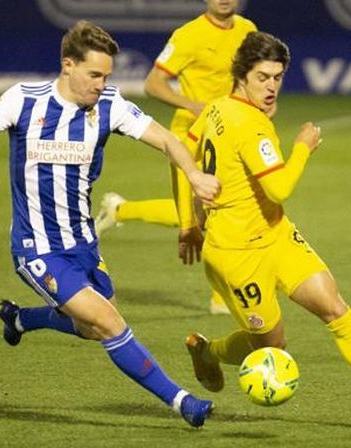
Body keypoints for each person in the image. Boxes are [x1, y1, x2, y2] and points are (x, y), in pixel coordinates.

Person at [0, 20, 221, 428]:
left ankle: (20, 319)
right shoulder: (24, 100)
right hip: (36, 247)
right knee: (108, 323)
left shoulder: (110, 105)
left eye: (107, 75)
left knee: (90, 327)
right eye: (94, 74)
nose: (102, 84)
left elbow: (168, 140)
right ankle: (182, 403)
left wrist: (194, 176)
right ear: (67, 65)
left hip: (84, 242)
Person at [177, 31, 351, 433]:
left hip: (277, 235)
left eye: (278, 77)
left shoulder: (214, 108)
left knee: (335, 308)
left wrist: (190, 223)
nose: (272, 86)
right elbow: (279, 187)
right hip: (236, 255)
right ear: (242, 75)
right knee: (272, 345)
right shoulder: (252, 125)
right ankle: (208, 352)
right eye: (263, 77)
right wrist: (303, 145)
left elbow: (185, 160)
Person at [95, 0, 257, 315]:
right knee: (210, 210)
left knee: (214, 211)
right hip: (191, 138)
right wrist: (192, 105)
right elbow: (153, 84)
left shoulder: (248, 30)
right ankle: (221, 298)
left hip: (229, 132)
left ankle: (120, 210)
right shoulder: (188, 35)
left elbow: (251, 74)